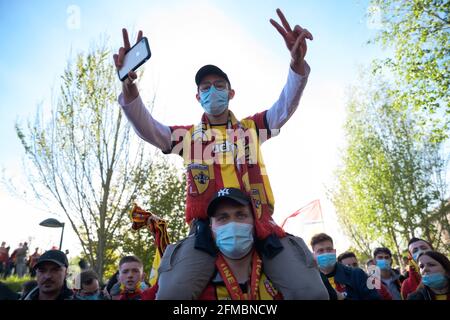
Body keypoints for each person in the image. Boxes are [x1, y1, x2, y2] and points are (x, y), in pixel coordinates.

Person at [114, 9, 328, 300]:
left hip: (259, 224)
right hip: (206, 229)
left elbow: (285, 106)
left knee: (313, 293)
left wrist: (296, 65)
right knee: (171, 293)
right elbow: (147, 127)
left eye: (219, 86)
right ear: (197, 96)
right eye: (205, 87)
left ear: (231, 93)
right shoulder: (187, 137)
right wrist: (129, 85)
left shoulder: (253, 128)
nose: (212, 91)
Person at [310, 233, 380, 300]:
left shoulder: (356, 275)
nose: (325, 253)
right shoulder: (311, 282)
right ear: (313, 255)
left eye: (329, 249)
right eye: (320, 251)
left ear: (334, 252)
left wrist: (342, 298)